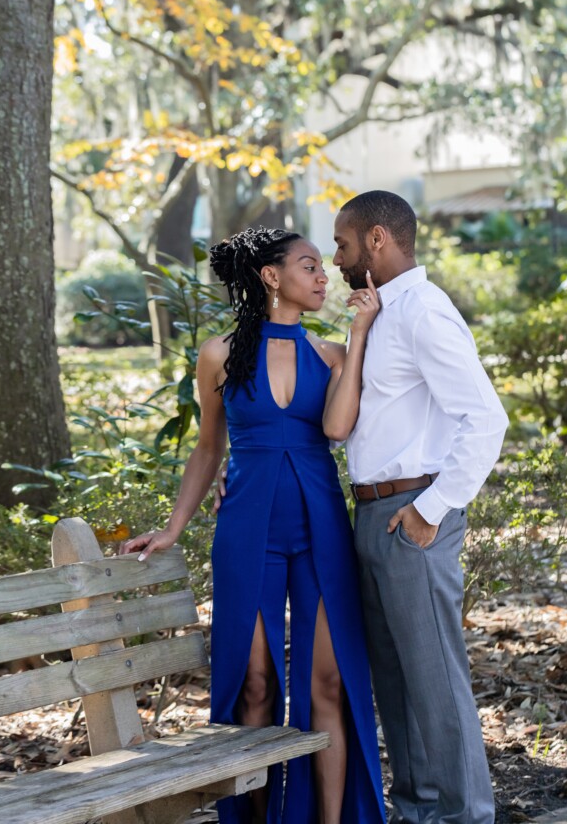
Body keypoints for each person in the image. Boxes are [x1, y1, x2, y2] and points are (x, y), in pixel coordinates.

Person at [121, 226, 386, 824]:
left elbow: (340, 430)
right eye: (310, 266)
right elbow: (208, 450)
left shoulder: (332, 352)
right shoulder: (218, 353)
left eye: (322, 267)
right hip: (247, 529)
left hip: (322, 527)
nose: (324, 277)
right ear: (271, 276)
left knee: (328, 686)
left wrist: (360, 330)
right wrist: (173, 527)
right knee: (256, 686)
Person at [331, 191, 509, 824]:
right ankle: (418, 810)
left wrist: (432, 509)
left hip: (414, 514)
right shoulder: (380, 313)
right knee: (396, 680)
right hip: (372, 515)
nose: (336, 259)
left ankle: (467, 817)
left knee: (434, 680)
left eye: (344, 245)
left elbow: (487, 419)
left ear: (378, 239)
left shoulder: (424, 312)